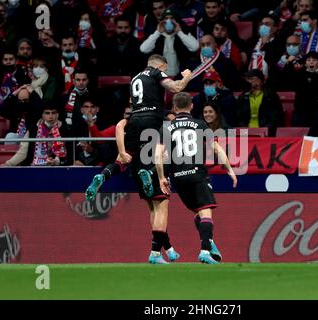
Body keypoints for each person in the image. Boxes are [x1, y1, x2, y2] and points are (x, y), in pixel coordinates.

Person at [85, 54, 193, 264]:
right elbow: (176, 87)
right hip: (153, 120)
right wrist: (186, 77)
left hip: (135, 120)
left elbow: (120, 126)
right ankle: (150, 171)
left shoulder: (135, 78)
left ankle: (106, 174)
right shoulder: (156, 72)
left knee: (126, 158)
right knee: (165, 152)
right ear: (161, 65)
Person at [155, 92, 237, 264]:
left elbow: (158, 155)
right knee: (206, 211)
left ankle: (210, 242)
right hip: (197, 174)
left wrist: (162, 177)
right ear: (192, 106)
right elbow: (216, 149)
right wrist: (229, 169)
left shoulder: (166, 127)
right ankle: (205, 250)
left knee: (198, 212)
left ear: (175, 108)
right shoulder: (200, 124)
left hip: (177, 177)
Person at [139, 9, 198, 77]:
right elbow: (143, 49)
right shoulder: (156, 35)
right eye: (166, 18)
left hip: (180, 77)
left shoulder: (183, 33)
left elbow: (195, 47)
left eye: (172, 18)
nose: (169, 21)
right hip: (161, 77)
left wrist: (179, 32)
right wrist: (158, 32)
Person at [236, 69, 284, 136]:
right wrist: (244, 129)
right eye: (247, 79)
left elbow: (275, 117)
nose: (248, 81)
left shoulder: (270, 96)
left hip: (266, 133)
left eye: (250, 79)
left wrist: (265, 129)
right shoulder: (243, 97)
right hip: (246, 133)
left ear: (259, 80)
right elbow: (238, 117)